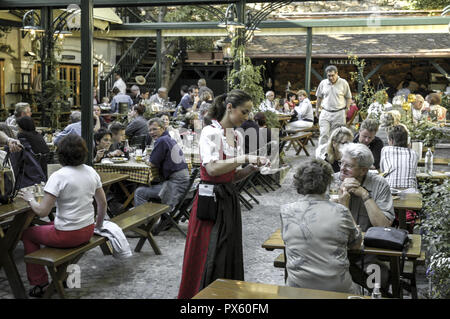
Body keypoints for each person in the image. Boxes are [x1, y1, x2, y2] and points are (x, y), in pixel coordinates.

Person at [178, 89, 268, 299]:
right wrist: (245, 157)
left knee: (227, 252)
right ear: (229, 107)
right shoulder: (210, 132)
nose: (246, 117)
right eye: (244, 112)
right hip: (210, 201)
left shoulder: (235, 135)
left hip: (228, 198)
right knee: (208, 254)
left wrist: (250, 169)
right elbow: (212, 170)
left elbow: (231, 176)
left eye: (248, 113)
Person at [18, 134, 107, 298]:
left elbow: (43, 212)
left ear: (60, 154)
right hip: (87, 230)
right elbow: (102, 203)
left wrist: (30, 199)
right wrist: (98, 226)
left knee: (27, 234)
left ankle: (40, 283)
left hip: (67, 234)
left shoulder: (59, 176)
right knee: (48, 228)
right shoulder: (91, 171)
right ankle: (64, 277)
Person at [281, 158, 362, 294]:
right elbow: (356, 244)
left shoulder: (286, 210)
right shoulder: (340, 211)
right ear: (327, 183)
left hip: (297, 289)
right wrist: (345, 207)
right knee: (358, 288)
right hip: (337, 289)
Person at [334, 143, 394, 295]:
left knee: (379, 278)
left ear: (364, 170)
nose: (342, 168)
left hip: (367, 254)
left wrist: (364, 194)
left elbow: (383, 226)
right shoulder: (332, 181)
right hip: (334, 251)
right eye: (341, 163)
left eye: (349, 166)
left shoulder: (379, 184)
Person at [134, 118, 190, 210]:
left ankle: (143, 222)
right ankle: (152, 218)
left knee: (139, 192)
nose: (152, 132)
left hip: (175, 184)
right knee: (149, 185)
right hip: (183, 181)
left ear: (163, 128)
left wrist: (145, 160)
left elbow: (152, 163)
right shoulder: (169, 139)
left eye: (154, 129)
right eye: (150, 130)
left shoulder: (162, 140)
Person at [316, 65, 352, 145]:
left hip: (339, 113)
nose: (331, 77)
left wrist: (347, 110)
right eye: (329, 76)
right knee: (324, 134)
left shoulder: (343, 83)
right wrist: (317, 110)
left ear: (337, 73)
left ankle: (335, 154)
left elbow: (348, 97)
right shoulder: (323, 83)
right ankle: (321, 154)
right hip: (325, 112)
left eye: (332, 75)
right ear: (326, 75)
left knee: (337, 136)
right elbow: (319, 97)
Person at [380, 125, 418, 190]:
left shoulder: (385, 150)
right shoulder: (414, 153)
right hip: (410, 191)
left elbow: (383, 171)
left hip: (390, 190)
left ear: (391, 140)